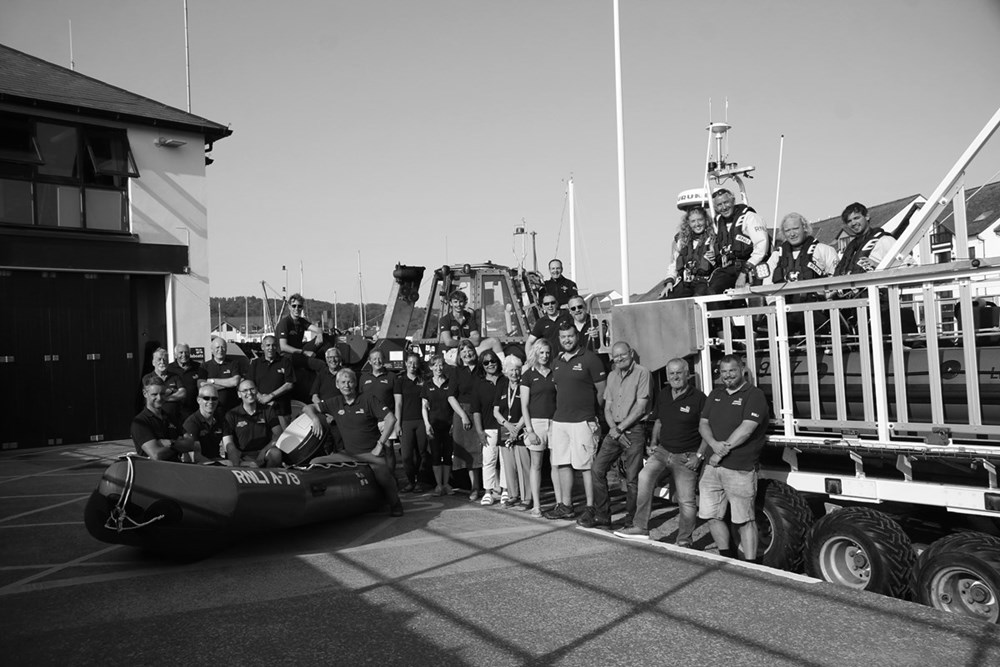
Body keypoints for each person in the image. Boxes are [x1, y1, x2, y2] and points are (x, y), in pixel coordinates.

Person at [616, 358, 706, 543]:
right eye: (671, 373)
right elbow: (659, 421)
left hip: (686, 456)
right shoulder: (664, 394)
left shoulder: (699, 398)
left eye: (679, 372)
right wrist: (653, 442)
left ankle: (684, 539)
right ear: (667, 377)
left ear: (687, 374)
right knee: (644, 478)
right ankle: (640, 527)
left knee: (686, 501)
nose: (675, 377)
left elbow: (707, 429)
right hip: (663, 452)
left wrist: (699, 455)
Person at [698, 354, 769, 562]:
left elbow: (746, 430)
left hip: (740, 467)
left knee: (744, 520)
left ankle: (751, 565)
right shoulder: (716, 394)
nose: (728, 375)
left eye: (732, 371)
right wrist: (713, 445)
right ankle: (727, 559)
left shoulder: (754, 395)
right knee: (711, 516)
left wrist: (720, 453)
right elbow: (703, 423)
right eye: (724, 371)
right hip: (712, 468)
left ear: (742, 370)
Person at [305, 368, 403, 516]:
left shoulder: (368, 399)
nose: (347, 385)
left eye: (350, 381)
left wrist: (380, 444)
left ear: (355, 383)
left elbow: (391, 419)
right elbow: (308, 407)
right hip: (348, 454)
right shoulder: (335, 402)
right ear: (337, 385)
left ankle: (395, 504)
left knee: (384, 476)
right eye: (343, 382)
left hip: (371, 454)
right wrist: (315, 418)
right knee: (316, 461)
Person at [582, 342, 650, 529]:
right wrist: (614, 428)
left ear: (631, 353)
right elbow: (608, 406)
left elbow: (640, 408)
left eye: (623, 355)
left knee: (632, 478)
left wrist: (620, 429)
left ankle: (632, 520)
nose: (619, 359)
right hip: (615, 429)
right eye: (616, 356)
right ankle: (603, 515)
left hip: (634, 429)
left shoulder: (642, 373)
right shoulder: (612, 375)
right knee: (597, 469)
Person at [544, 322, 607, 520]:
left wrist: (591, 412)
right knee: (563, 464)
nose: (567, 340)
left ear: (576, 336)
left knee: (586, 466)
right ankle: (566, 505)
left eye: (570, 336)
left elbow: (602, 392)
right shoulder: (556, 361)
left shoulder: (590, 359)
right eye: (563, 337)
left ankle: (590, 507)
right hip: (560, 420)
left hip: (583, 421)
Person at [520, 338, 559, 518]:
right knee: (536, 465)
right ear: (535, 353)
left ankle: (560, 503)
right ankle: (537, 505)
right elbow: (524, 405)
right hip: (536, 423)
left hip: (555, 423)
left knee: (556, 465)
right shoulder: (528, 374)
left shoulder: (554, 373)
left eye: (547, 352)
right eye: (541, 352)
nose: (544, 356)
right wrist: (529, 429)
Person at [708, 188, 770, 295]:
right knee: (712, 290)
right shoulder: (718, 224)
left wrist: (744, 272)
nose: (724, 207)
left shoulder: (750, 218)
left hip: (750, 267)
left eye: (726, 202)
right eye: (719, 205)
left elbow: (761, 248)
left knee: (753, 294)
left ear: (733, 201)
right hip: (727, 269)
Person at [767, 212, 840, 298]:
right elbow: (767, 286)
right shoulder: (776, 256)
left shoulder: (824, 250)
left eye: (795, 228)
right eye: (787, 230)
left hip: (817, 306)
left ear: (804, 228)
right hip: (785, 307)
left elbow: (837, 280)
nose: (792, 234)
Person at [448, 339, 484, 500]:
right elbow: (450, 396)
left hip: (483, 411)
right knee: (471, 451)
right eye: (463, 351)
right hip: (464, 412)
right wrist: (463, 415)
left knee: (487, 449)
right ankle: (474, 487)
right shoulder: (456, 372)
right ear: (459, 355)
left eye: (469, 350)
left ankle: (493, 486)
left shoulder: (482, 368)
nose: (467, 353)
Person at [130, 376, 199, 461]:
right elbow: (156, 455)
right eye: (154, 394)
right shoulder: (140, 422)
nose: (159, 398)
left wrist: (171, 443)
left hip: (176, 469)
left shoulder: (171, 417)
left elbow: (190, 444)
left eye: (162, 394)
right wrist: (179, 445)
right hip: (154, 471)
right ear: (145, 393)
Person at [471, 349, 507, 506]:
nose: (490, 364)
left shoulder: (506, 380)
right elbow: (476, 411)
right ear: (482, 365)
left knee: (506, 461)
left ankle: (506, 490)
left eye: (493, 361)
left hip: (505, 427)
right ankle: (488, 491)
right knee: (489, 461)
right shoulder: (478, 385)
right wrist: (479, 431)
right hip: (488, 429)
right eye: (486, 362)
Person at [222, 379, 283, 468]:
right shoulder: (231, 414)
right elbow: (228, 444)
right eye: (245, 390)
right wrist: (236, 463)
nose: (249, 393)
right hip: (242, 456)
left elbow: (278, 434)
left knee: (276, 453)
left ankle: (270, 479)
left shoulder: (268, 410)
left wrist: (263, 451)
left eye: (252, 389)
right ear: (239, 394)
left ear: (257, 390)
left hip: (263, 453)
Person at [495, 355, 530, 510]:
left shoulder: (524, 385)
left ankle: (527, 497)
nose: (514, 373)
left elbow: (528, 408)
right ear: (505, 371)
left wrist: (517, 427)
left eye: (517, 369)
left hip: (521, 428)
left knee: (523, 464)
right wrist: (507, 425)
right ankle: (513, 495)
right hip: (505, 428)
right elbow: (496, 411)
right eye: (511, 370)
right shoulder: (502, 386)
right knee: (508, 465)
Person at [660, 207, 716, 299]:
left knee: (696, 301)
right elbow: (674, 264)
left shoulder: (713, 238)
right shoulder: (682, 241)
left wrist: (714, 256)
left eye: (700, 220)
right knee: (666, 298)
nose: (697, 224)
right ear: (688, 223)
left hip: (704, 283)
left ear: (706, 220)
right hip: (685, 283)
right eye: (693, 221)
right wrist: (669, 282)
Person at [360, 348, 398, 477]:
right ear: (369, 361)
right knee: (370, 450)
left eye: (380, 358)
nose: (378, 361)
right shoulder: (363, 377)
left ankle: (391, 478)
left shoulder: (392, 376)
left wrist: (397, 422)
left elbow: (397, 401)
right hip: (368, 421)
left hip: (386, 420)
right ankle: (373, 478)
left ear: (384, 359)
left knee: (388, 449)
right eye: (374, 358)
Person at [395, 351, 429, 493]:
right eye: (410, 363)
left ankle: (421, 481)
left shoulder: (424, 380)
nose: (412, 366)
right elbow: (398, 404)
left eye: (415, 363)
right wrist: (397, 423)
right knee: (407, 455)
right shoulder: (400, 381)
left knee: (423, 452)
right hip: (406, 421)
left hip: (421, 420)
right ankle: (410, 481)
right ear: (405, 364)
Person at [421, 353, 454, 496]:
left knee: (447, 455)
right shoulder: (427, 385)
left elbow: (454, 404)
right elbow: (423, 407)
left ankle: (446, 484)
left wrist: (454, 423)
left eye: (441, 365)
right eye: (435, 365)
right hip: (434, 424)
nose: (439, 368)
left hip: (449, 424)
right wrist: (427, 424)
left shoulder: (450, 383)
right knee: (435, 455)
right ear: (431, 367)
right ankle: (438, 485)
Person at [834, 202, 896, 276]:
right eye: (849, 221)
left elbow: (909, 265)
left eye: (856, 218)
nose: (853, 223)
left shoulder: (885, 240)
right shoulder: (851, 248)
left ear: (867, 216)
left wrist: (877, 265)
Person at [248, 334, 296, 430]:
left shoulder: (285, 362)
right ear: (262, 347)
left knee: (284, 439)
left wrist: (270, 396)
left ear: (277, 347)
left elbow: (289, 384)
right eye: (268, 345)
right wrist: (260, 397)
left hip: (281, 410)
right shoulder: (255, 363)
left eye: (273, 345)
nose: (271, 348)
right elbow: (249, 384)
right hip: (260, 409)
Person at [275, 293, 326, 372]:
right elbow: (283, 347)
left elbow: (318, 329)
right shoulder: (284, 323)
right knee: (320, 364)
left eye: (299, 306)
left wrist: (320, 334)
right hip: (288, 355)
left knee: (326, 337)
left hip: (299, 350)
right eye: (294, 306)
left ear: (302, 308)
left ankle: (331, 358)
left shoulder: (301, 321)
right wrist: (304, 352)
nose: (296, 308)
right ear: (289, 307)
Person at [201, 337, 249, 414]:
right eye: (217, 347)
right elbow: (202, 386)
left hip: (232, 408)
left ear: (226, 349)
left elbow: (235, 382)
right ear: (212, 350)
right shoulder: (205, 366)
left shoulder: (234, 364)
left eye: (223, 347)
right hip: (212, 409)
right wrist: (228, 384)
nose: (220, 350)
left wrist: (212, 381)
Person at [141, 347, 186, 424]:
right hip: (155, 418)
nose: (162, 362)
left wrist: (164, 397)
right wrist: (172, 391)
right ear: (153, 362)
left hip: (174, 418)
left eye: (165, 360)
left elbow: (183, 393)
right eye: (159, 359)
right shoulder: (148, 378)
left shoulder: (175, 376)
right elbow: (150, 396)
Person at [182, 383, 224, 460]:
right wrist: (216, 467)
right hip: (198, 467)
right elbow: (195, 456)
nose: (211, 402)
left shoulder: (220, 420)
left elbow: (229, 444)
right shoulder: (191, 423)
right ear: (198, 400)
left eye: (214, 398)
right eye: (206, 398)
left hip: (216, 460)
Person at [167, 342, 203, 419]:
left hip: (193, 411)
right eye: (181, 352)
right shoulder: (169, 369)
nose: (184, 355)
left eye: (186, 352)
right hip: (174, 412)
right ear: (175, 355)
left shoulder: (198, 367)